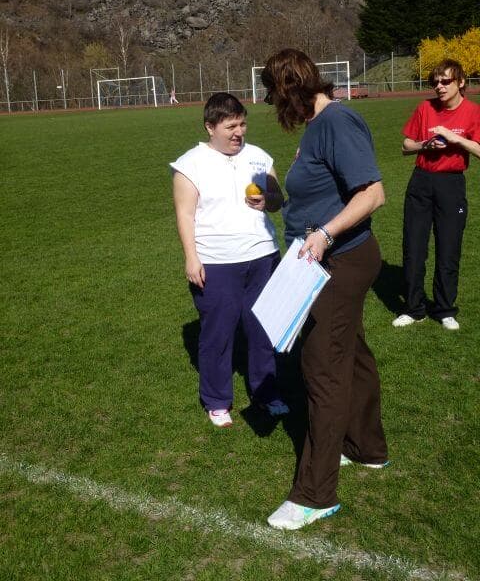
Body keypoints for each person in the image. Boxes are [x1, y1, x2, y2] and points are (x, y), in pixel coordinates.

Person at [260, 48, 388, 530]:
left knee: (323, 371)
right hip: (324, 258)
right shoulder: (319, 127)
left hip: (337, 262)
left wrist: (325, 234)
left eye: (275, 97)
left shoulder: (337, 122)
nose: (276, 108)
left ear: (289, 89)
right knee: (351, 353)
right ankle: (367, 446)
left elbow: (373, 194)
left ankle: (315, 494)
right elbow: (319, 190)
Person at [170, 92, 289, 428]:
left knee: (263, 328)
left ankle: (266, 393)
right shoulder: (190, 164)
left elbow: (278, 199)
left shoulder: (259, 157)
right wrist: (191, 258)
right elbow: (185, 214)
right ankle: (217, 400)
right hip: (216, 262)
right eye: (231, 126)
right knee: (218, 334)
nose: (239, 132)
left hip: (263, 255)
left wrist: (268, 200)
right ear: (210, 127)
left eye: (242, 124)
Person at [392, 59, 480, 331]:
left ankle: (445, 309)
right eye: (435, 82)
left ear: (461, 82)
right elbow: (405, 146)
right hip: (421, 182)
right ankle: (414, 308)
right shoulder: (425, 108)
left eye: (445, 81)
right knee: (414, 248)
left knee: (448, 249)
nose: (439, 87)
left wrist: (456, 140)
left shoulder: (472, 112)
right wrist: (424, 145)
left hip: (451, 185)